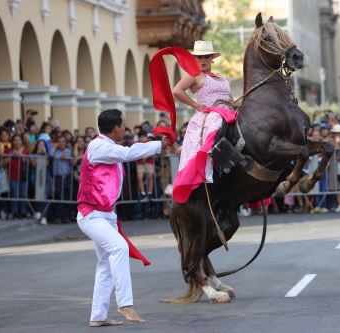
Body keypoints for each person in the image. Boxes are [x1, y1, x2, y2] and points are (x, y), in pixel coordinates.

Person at [76, 109, 168, 327]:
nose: (125, 129)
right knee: (119, 248)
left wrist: (162, 145)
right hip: (91, 215)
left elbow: (126, 152)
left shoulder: (108, 148)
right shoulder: (98, 147)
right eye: (123, 125)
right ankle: (125, 303)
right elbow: (128, 153)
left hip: (105, 215)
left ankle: (98, 316)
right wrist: (158, 145)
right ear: (116, 127)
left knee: (106, 265)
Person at [171, 40, 237, 203]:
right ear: (195, 59)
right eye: (199, 57)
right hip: (210, 114)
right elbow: (176, 91)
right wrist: (196, 105)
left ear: (211, 58)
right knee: (215, 122)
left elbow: (231, 99)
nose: (203, 60)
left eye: (206, 56)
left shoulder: (222, 78)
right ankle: (207, 167)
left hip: (228, 111)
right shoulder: (193, 75)